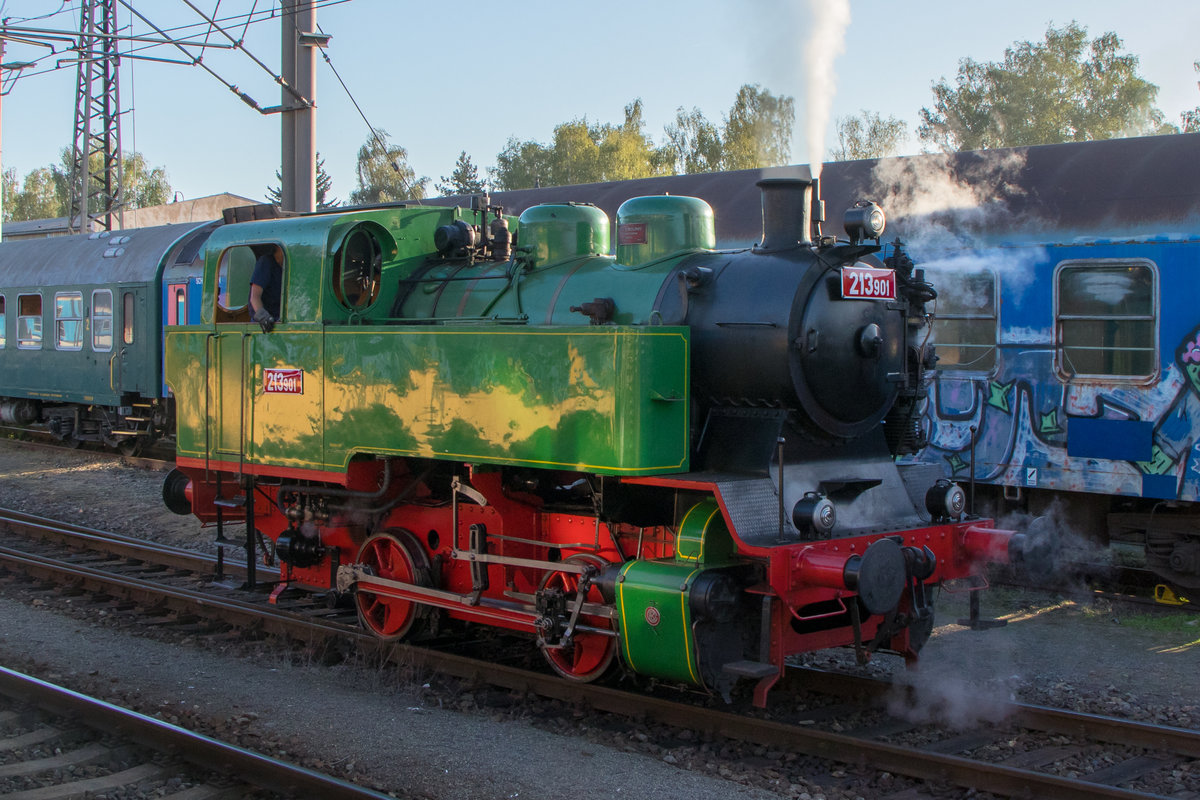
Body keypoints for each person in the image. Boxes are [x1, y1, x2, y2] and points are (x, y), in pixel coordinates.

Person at [249, 244, 284, 333]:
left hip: (280, 320)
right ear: (278, 247)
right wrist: (263, 317)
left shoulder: (287, 267)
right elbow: (254, 297)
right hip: (264, 325)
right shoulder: (266, 262)